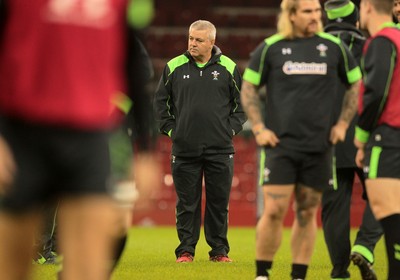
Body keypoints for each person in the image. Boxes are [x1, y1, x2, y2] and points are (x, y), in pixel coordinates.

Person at [0, 0, 157, 279]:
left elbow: (133, 62)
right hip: (22, 133)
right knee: (12, 267)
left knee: (87, 268)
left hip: (90, 137)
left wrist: (146, 149)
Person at [240, 0, 362, 279]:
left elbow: (355, 83)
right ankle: (262, 274)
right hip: (280, 147)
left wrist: (343, 123)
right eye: (308, 11)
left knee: (307, 213)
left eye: (317, 11)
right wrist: (258, 127)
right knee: (273, 211)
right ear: (291, 15)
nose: (315, 16)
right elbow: (248, 87)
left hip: (319, 148)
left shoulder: (334, 47)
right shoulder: (271, 47)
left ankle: (298, 275)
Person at [154, 20, 246, 263]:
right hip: (184, 149)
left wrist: (229, 130)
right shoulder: (174, 66)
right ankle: (185, 251)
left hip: (220, 149)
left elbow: (242, 105)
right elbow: (160, 105)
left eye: (199, 40)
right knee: (187, 204)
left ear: (212, 42)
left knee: (218, 204)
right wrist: (175, 132)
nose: (192, 44)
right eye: (190, 38)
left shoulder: (228, 67)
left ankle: (219, 251)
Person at [321, 1, 383, 280]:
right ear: (355, 19)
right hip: (365, 136)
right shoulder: (371, 46)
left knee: (334, 206)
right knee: (384, 194)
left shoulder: (313, 49)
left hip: (326, 139)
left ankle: (339, 271)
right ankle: (365, 245)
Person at [355, 0, 400, 279]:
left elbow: (376, 93)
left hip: (388, 137)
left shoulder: (383, 41)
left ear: (368, 7)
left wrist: (361, 138)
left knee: (389, 212)